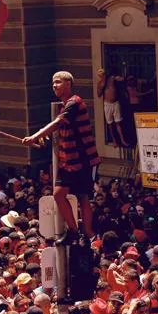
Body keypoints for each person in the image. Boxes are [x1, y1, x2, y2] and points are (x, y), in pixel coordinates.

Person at [22, 71, 99, 241]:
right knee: (58, 195)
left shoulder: (75, 103)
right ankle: (74, 230)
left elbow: (57, 123)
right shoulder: (62, 106)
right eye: (53, 83)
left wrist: (35, 136)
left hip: (82, 159)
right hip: (67, 161)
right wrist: (42, 139)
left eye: (58, 82)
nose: (54, 86)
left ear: (68, 84)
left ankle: (88, 233)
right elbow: (57, 132)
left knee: (83, 196)